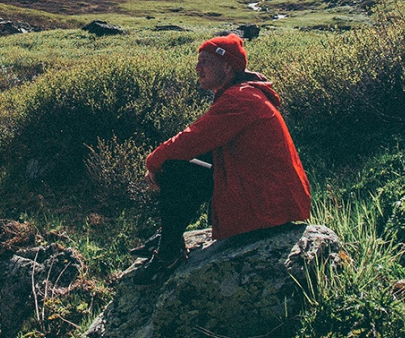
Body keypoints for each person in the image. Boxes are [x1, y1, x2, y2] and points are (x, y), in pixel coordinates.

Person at [132, 34, 312, 281]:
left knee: (173, 168)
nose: (198, 67)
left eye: (205, 61)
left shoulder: (241, 99)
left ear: (227, 66)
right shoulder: (244, 94)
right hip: (272, 201)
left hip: (269, 207)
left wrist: (153, 163)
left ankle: (168, 253)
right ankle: (169, 239)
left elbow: (192, 139)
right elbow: (201, 148)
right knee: (185, 167)